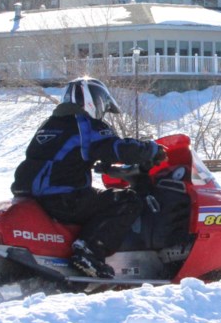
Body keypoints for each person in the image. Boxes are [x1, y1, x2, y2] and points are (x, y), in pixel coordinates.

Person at [12, 77, 165, 278]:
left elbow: (65, 156)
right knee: (127, 199)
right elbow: (118, 147)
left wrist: (101, 162)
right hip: (65, 198)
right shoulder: (84, 124)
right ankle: (90, 251)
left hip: (34, 195)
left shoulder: (50, 125)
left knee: (99, 197)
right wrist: (150, 150)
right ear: (92, 101)